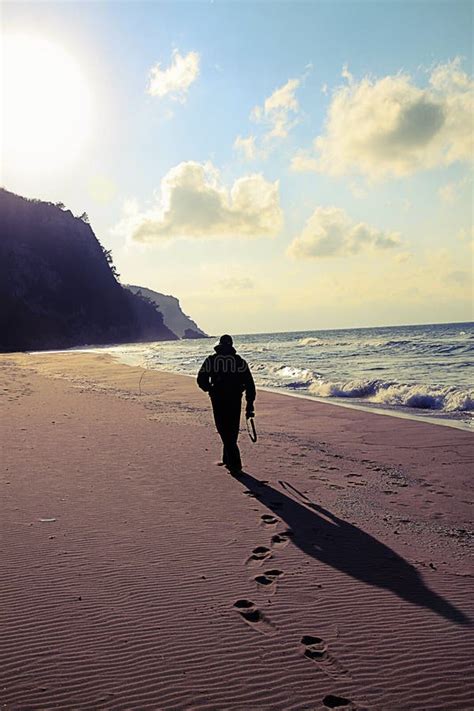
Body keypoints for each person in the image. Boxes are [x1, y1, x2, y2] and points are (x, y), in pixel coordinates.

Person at [197, 334, 256, 474]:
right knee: (232, 428)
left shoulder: (211, 360)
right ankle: (228, 458)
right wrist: (250, 404)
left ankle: (235, 463)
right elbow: (249, 384)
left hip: (218, 398)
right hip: (235, 398)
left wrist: (209, 389)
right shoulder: (239, 361)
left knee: (223, 428)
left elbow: (201, 379)